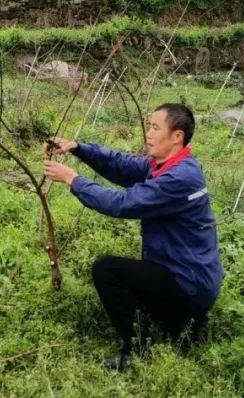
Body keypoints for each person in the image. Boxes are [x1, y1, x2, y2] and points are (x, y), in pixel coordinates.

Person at [43, 103, 223, 371]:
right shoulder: (166, 165)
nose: (148, 133)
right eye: (148, 126)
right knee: (135, 281)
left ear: (177, 136)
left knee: (107, 270)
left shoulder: (179, 178)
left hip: (190, 284)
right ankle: (181, 323)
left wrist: (73, 179)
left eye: (154, 127)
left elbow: (121, 203)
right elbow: (121, 165)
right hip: (183, 272)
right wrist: (78, 148)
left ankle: (139, 349)